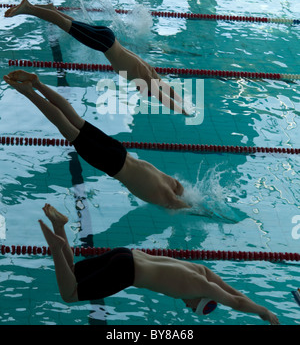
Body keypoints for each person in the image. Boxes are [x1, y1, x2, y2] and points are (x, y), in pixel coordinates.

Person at [39, 203, 280, 324]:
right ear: (202, 299)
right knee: (69, 295)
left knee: (70, 273)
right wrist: (263, 311)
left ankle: (59, 226)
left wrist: (259, 306)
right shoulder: (201, 287)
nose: (187, 305)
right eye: (192, 307)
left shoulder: (201, 271)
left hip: (125, 254)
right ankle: (57, 247)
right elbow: (235, 301)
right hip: (126, 271)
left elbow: (230, 289)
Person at [3, 70, 189, 210]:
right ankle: (29, 91)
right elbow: (185, 208)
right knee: (68, 128)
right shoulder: (168, 198)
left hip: (120, 151)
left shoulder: (172, 183)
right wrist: (194, 210)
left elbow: (181, 189)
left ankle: (38, 84)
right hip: (112, 164)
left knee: (75, 119)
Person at [5, 0, 188, 115]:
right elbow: (165, 98)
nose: (140, 92)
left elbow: (167, 89)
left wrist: (182, 101)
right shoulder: (145, 79)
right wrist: (184, 112)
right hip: (103, 43)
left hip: (107, 37)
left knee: (72, 23)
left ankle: (48, 8)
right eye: (145, 92)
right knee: (63, 24)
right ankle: (29, 8)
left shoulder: (150, 72)